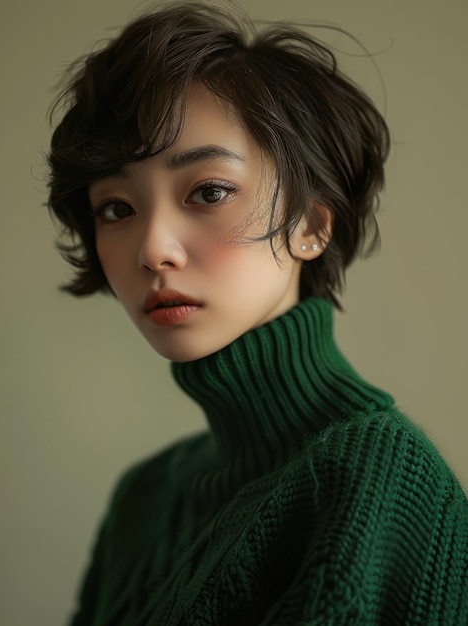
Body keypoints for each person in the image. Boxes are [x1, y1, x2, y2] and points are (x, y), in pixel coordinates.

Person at [47, 2, 468, 624]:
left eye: (209, 192)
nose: (152, 250)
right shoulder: (144, 497)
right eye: (115, 208)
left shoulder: (377, 480)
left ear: (309, 226)